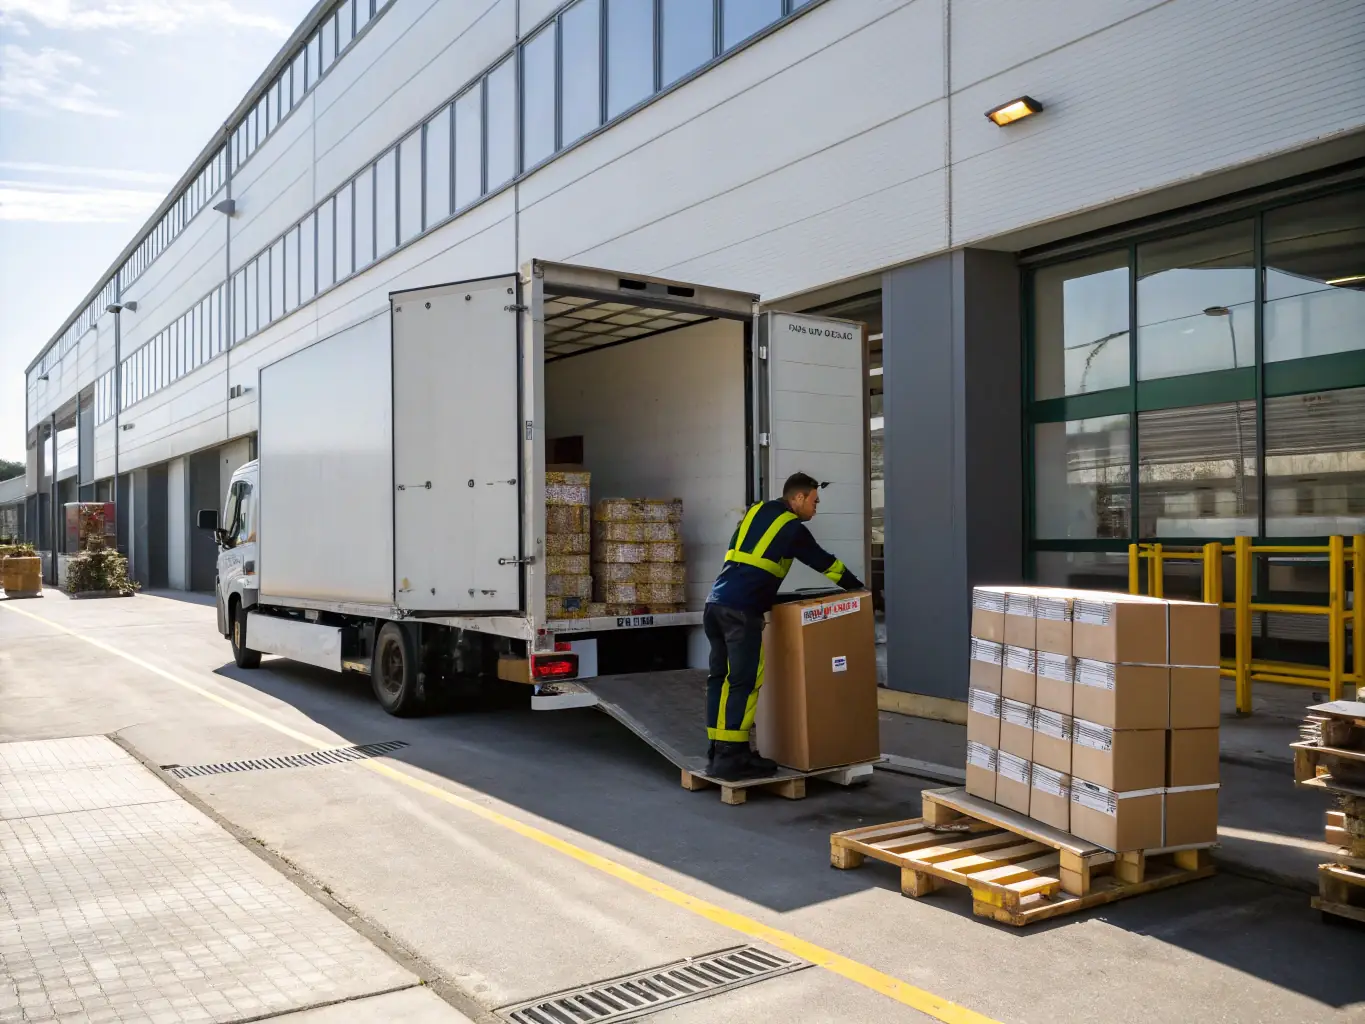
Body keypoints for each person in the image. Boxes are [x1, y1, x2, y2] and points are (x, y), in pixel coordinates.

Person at [703, 472, 864, 781]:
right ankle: (731, 757)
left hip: (716, 604)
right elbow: (825, 563)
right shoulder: (791, 529)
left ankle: (718, 750)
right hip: (741, 611)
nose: (816, 508)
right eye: (814, 501)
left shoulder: (757, 511)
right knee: (743, 682)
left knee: (720, 680)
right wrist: (860, 591)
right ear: (798, 498)